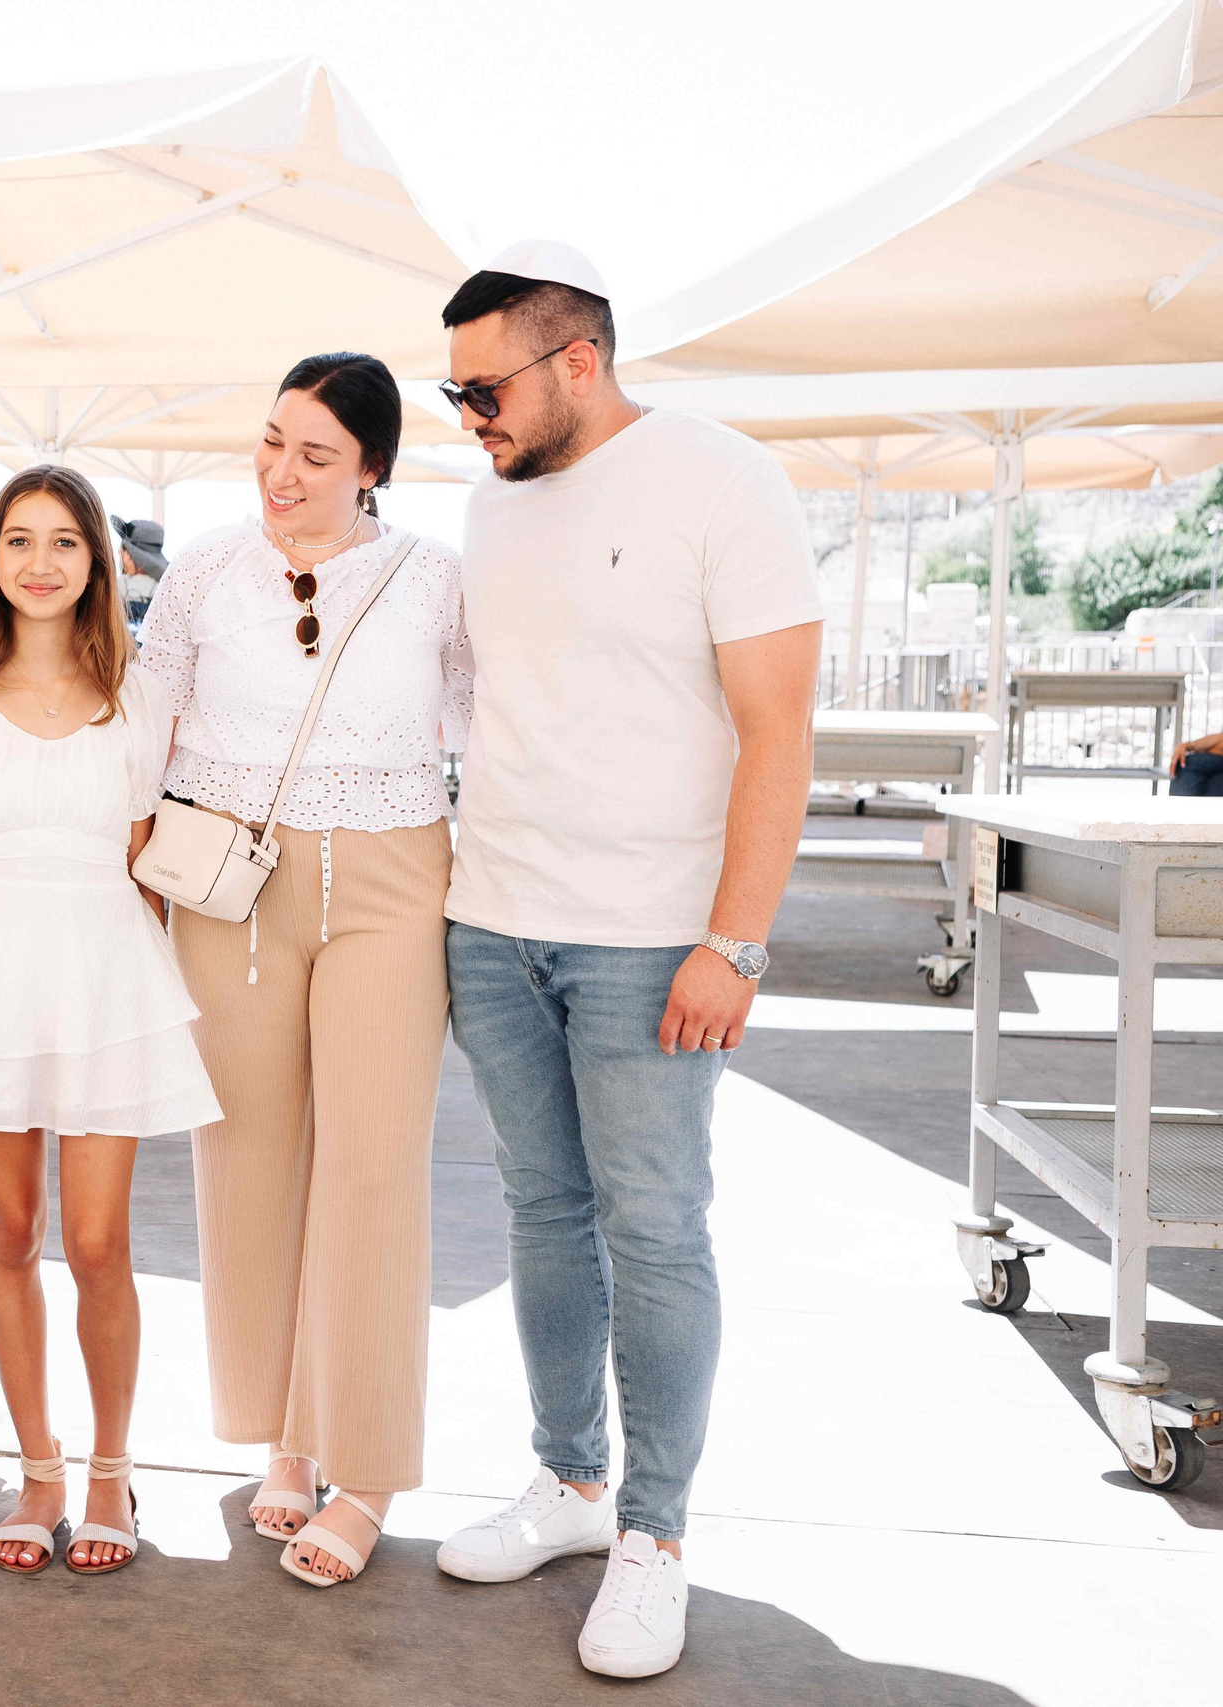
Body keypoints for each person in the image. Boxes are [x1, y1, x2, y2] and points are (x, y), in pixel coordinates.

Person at [433, 241, 819, 1679]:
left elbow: (780, 728)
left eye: (481, 386)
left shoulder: (722, 479)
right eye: (452, 388)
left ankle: (655, 1533)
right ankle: (572, 1484)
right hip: (499, 919)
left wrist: (737, 939)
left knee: (654, 1227)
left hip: (657, 934)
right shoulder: (487, 507)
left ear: (575, 360)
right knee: (544, 1213)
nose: (466, 414)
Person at [135, 352, 471, 1589]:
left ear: (373, 469)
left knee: (373, 1164)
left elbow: (485, 731)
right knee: (250, 1156)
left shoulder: (433, 581)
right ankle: (287, 1433)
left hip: (392, 876)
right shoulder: (206, 569)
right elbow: (145, 714)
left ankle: (365, 1464)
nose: (282, 472)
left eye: (316, 454)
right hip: (227, 879)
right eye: (271, 441)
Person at [0, 466, 221, 1576]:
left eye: (63, 544)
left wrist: (163, 998)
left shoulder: (139, 698)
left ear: (99, 561)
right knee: (8, 1231)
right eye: (17, 542)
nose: (39, 563)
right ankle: (37, 1469)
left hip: (103, 971)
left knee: (95, 1241)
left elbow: (144, 869)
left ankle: (109, 1471)